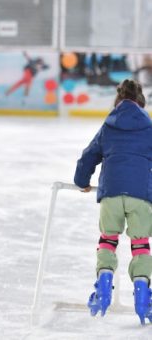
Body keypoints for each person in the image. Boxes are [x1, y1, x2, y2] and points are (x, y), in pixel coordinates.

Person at [74, 79, 152, 325]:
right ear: (142, 104)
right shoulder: (149, 128)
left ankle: (104, 286)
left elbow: (89, 156)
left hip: (111, 193)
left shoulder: (108, 126)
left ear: (117, 102)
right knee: (140, 243)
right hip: (141, 195)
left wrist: (82, 181)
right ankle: (143, 296)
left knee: (108, 239)